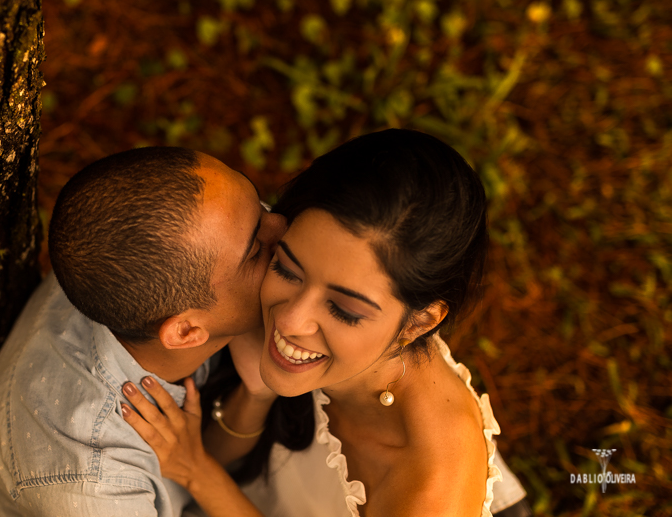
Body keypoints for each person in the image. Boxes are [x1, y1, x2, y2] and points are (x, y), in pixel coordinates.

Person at [121, 129, 530, 517]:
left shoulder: (429, 492)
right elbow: (217, 454)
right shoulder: (311, 319)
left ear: (419, 323)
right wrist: (256, 394)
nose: (291, 319)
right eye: (286, 267)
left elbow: (200, 465)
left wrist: (196, 471)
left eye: (344, 310)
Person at [0, 146, 286, 517]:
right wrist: (198, 472)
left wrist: (256, 393)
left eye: (259, 206)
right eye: (255, 250)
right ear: (186, 332)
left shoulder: (127, 257)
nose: (282, 225)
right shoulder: (96, 483)